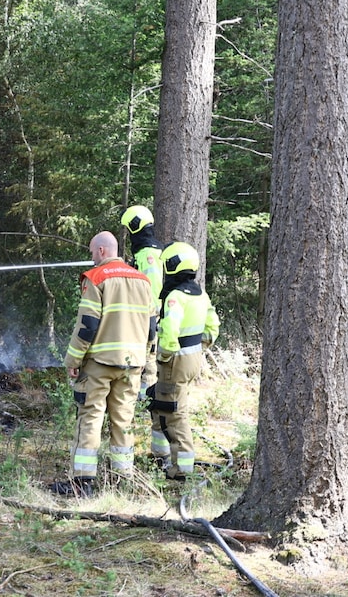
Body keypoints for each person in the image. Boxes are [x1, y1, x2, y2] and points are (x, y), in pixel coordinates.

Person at [52, 231, 156, 497]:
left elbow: (87, 326)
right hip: (132, 365)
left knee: (90, 418)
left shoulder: (96, 278)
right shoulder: (143, 281)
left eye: (91, 252)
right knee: (123, 421)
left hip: (99, 364)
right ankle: (123, 482)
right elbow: (152, 328)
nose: (91, 257)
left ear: (100, 251)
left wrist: (73, 359)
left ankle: (82, 484)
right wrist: (146, 362)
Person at [147, 241, 220, 480]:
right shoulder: (200, 294)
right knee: (165, 405)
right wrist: (199, 347)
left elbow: (169, 332)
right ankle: (161, 455)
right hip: (193, 358)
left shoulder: (175, 298)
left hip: (175, 362)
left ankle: (181, 469)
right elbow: (213, 327)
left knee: (173, 413)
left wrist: (164, 356)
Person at [120, 205, 164, 397]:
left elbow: (153, 286)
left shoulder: (148, 253)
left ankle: (145, 400)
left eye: (130, 229)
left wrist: (150, 317)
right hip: (144, 314)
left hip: (148, 315)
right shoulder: (145, 252)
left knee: (147, 360)